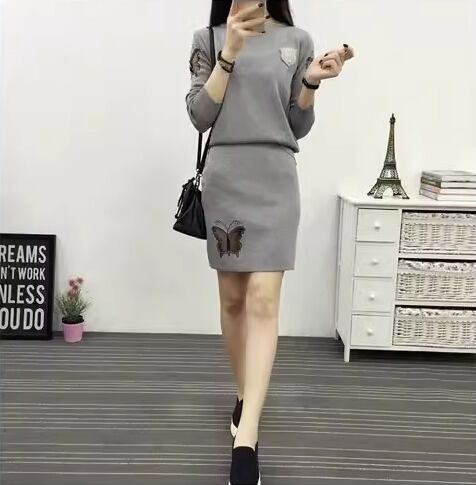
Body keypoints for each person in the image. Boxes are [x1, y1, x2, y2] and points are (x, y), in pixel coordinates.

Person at [185, 1, 354, 484]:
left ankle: (247, 438)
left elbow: (297, 125)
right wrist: (229, 53)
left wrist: (312, 82)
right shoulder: (208, 38)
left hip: (276, 179)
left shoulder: (297, 41)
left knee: (263, 298)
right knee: (232, 299)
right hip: (226, 178)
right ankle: (244, 395)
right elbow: (199, 115)